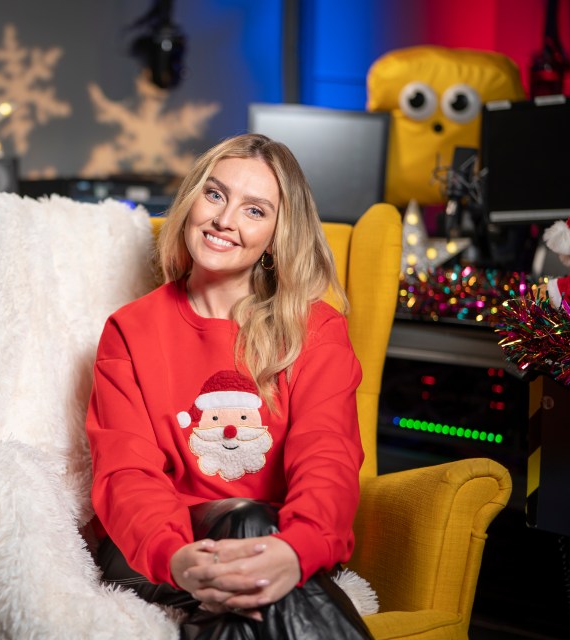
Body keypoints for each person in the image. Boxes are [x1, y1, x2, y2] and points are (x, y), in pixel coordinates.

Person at [85, 133, 373, 639]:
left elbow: (328, 456)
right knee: (249, 525)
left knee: (251, 529)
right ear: (191, 199)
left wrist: (296, 549)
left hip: (274, 545)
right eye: (215, 195)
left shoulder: (315, 331)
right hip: (156, 556)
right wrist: (174, 557)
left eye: (255, 210)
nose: (224, 220)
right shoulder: (130, 331)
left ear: (277, 235)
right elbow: (126, 473)